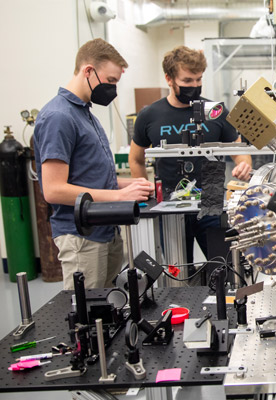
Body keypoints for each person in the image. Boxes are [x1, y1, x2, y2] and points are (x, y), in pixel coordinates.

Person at [34, 38, 155, 290]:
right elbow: (54, 190)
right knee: (88, 317)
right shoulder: (59, 116)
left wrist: (134, 185)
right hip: (82, 236)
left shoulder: (84, 113)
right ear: (88, 71)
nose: (113, 89)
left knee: (109, 307)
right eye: (110, 81)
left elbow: (92, 177)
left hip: (105, 231)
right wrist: (120, 195)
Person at [129, 46, 251, 261]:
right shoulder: (150, 115)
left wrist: (244, 165)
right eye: (187, 81)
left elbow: (239, 151)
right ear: (169, 79)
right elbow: (136, 158)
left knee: (224, 268)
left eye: (198, 80)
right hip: (169, 205)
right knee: (178, 272)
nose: (194, 86)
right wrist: (142, 190)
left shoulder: (216, 111)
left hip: (212, 201)